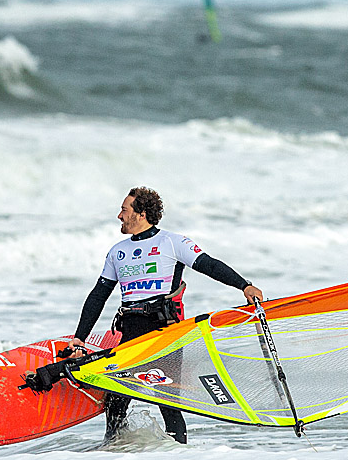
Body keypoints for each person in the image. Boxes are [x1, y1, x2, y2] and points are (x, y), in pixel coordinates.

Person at [33, 186, 263, 444]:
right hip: (130, 333)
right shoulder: (117, 252)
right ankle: (113, 451)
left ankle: (178, 459)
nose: (119, 216)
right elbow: (99, 294)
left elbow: (208, 264)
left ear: (141, 214)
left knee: (168, 403)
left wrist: (244, 285)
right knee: (116, 401)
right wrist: (79, 337)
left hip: (164, 333)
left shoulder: (172, 242)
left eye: (124, 210)